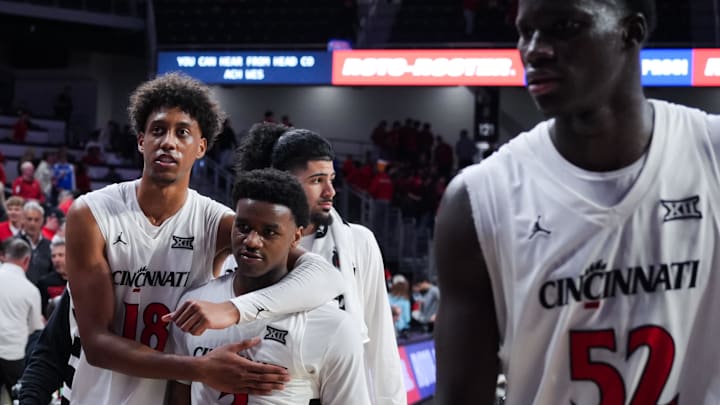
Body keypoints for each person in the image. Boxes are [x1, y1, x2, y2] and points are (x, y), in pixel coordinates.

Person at [434, 0, 720, 403]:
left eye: (563, 26)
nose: (534, 49)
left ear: (631, 31)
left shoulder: (712, 155)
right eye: (525, 31)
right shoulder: (476, 201)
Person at [64, 73, 345, 405]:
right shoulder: (91, 213)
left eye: (182, 132)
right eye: (158, 130)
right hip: (100, 395)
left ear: (201, 147)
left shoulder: (216, 221)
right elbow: (96, 344)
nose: (168, 141)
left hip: (174, 396)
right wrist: (199, 368)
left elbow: (326, 277)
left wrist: (234, 309)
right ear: (141, 141)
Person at [235, 123, 406, 405]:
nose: (331, 191)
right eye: (317, 180)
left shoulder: (359, 243)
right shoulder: (244, 242)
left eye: (332, 179)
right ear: (284, 181)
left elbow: (380, 343)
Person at [168, 169, 370, 405]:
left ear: (296, 237)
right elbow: (179, 393)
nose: (252, 241)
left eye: (269, 232)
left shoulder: (334, 327)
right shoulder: (195, 303)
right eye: (243, 227)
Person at [0, 238, 44, 399]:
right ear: (26, 260)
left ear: (4, 255)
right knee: (19, 398)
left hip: (11, 352)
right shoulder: (30, 290)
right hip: (13, 355)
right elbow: (35, 328)